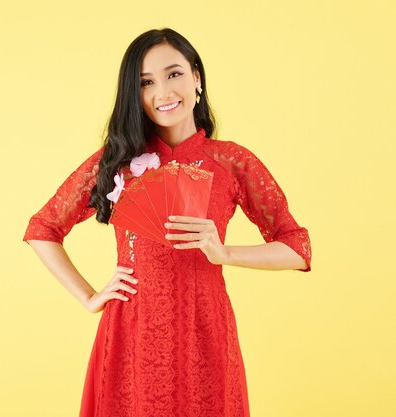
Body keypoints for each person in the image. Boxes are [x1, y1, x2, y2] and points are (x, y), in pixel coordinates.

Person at [22, 27, 311, 417]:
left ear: (197, 77)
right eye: (146, 82)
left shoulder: (232, 162)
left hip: (205, 328)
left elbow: (296, 247)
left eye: (174, 74)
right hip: (133, 330)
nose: (164, 92)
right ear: (135, 94)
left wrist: (224, 252)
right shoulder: (117, 162)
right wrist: (90, 297)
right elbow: (43, 229)